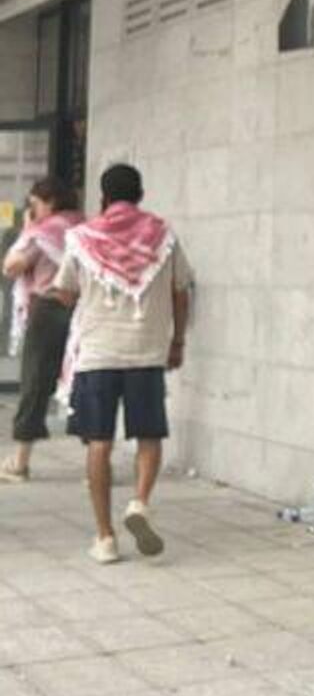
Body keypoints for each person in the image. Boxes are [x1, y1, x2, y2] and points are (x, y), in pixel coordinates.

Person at [49, 162, 193, 563]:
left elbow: (65, 292)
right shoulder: (163, 236)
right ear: (140, 195)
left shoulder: (82, 238)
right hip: (147, 352)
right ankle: (139, 503)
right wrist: (177, 341)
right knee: (149, 436)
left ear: (104, 198)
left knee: (99, 443)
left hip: (98, 353)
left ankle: (105, 537)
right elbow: (181, 291)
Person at [1, 177, 81, 480]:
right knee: (82, 382)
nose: (32, 210)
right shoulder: (82, 226)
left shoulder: (45, 232)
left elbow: (12, 266)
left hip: (47, 309)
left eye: (34, 203)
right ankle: (97, 459)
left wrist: (27, 229)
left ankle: (20, 461)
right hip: (80, 311)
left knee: (34, 383)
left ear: (50, 202)